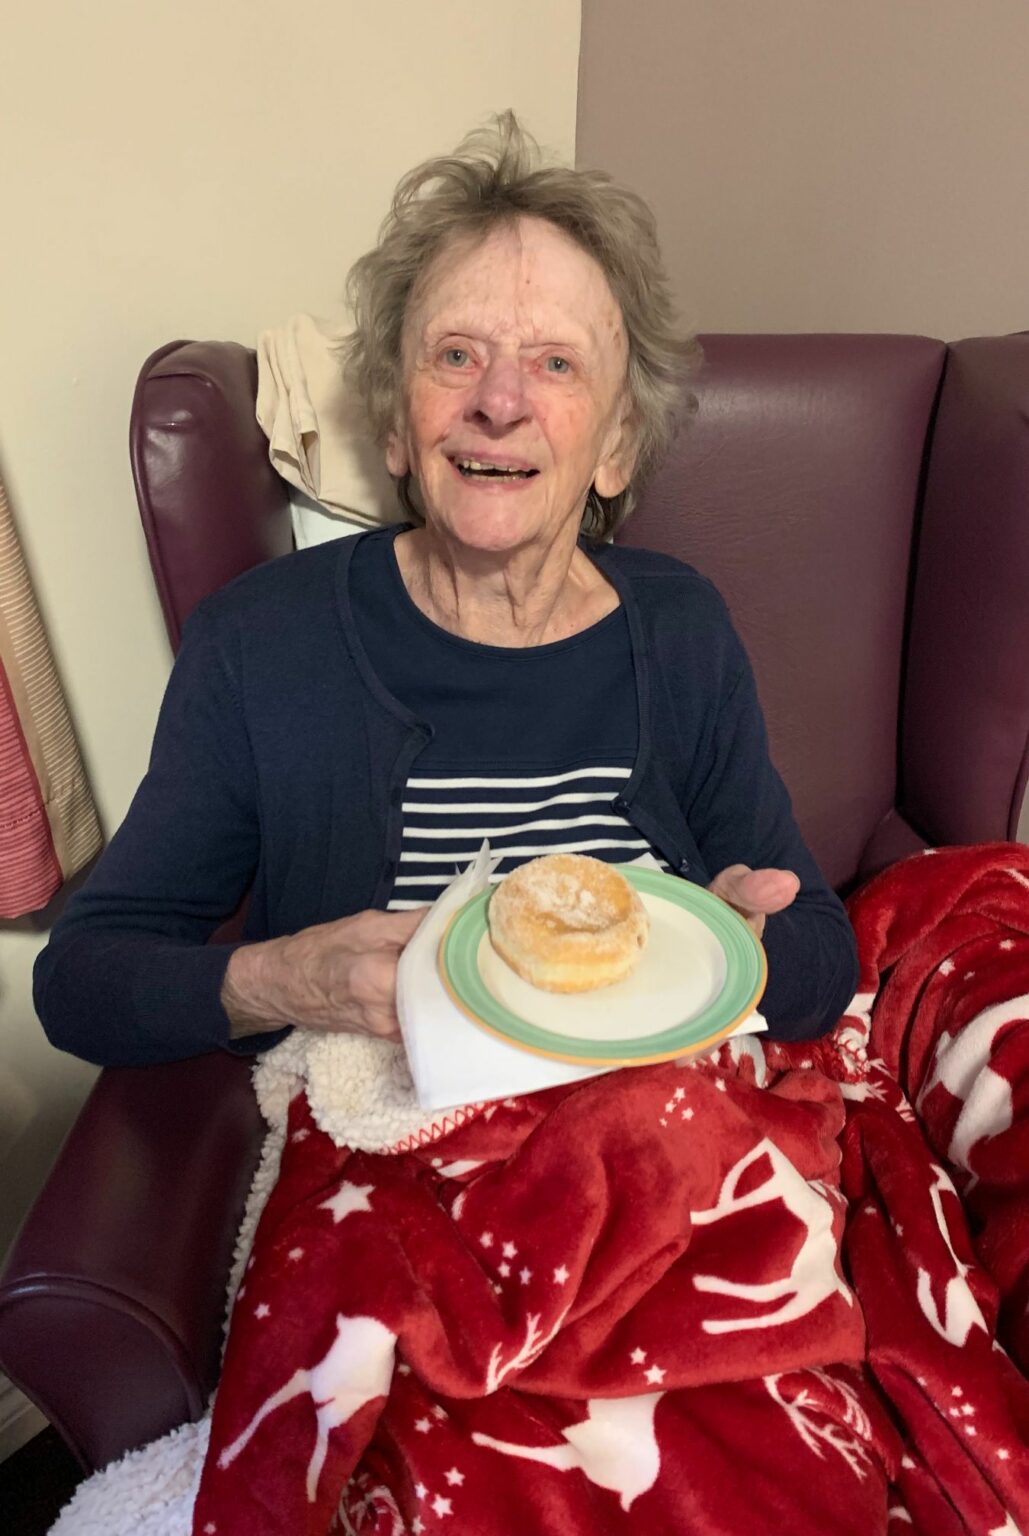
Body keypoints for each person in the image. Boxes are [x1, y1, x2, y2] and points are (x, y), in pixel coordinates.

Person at [34, 114, 858, 1069]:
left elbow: (819, 956)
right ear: (395, 423)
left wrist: (737, 955)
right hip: (382, 1132)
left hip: (661, 1115)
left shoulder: (680, 627)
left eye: (555, 363)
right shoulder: (261, 642)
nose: (498, 402)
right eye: (456, 354)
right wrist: (283, 979)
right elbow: (80, 985)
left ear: (617, 445)